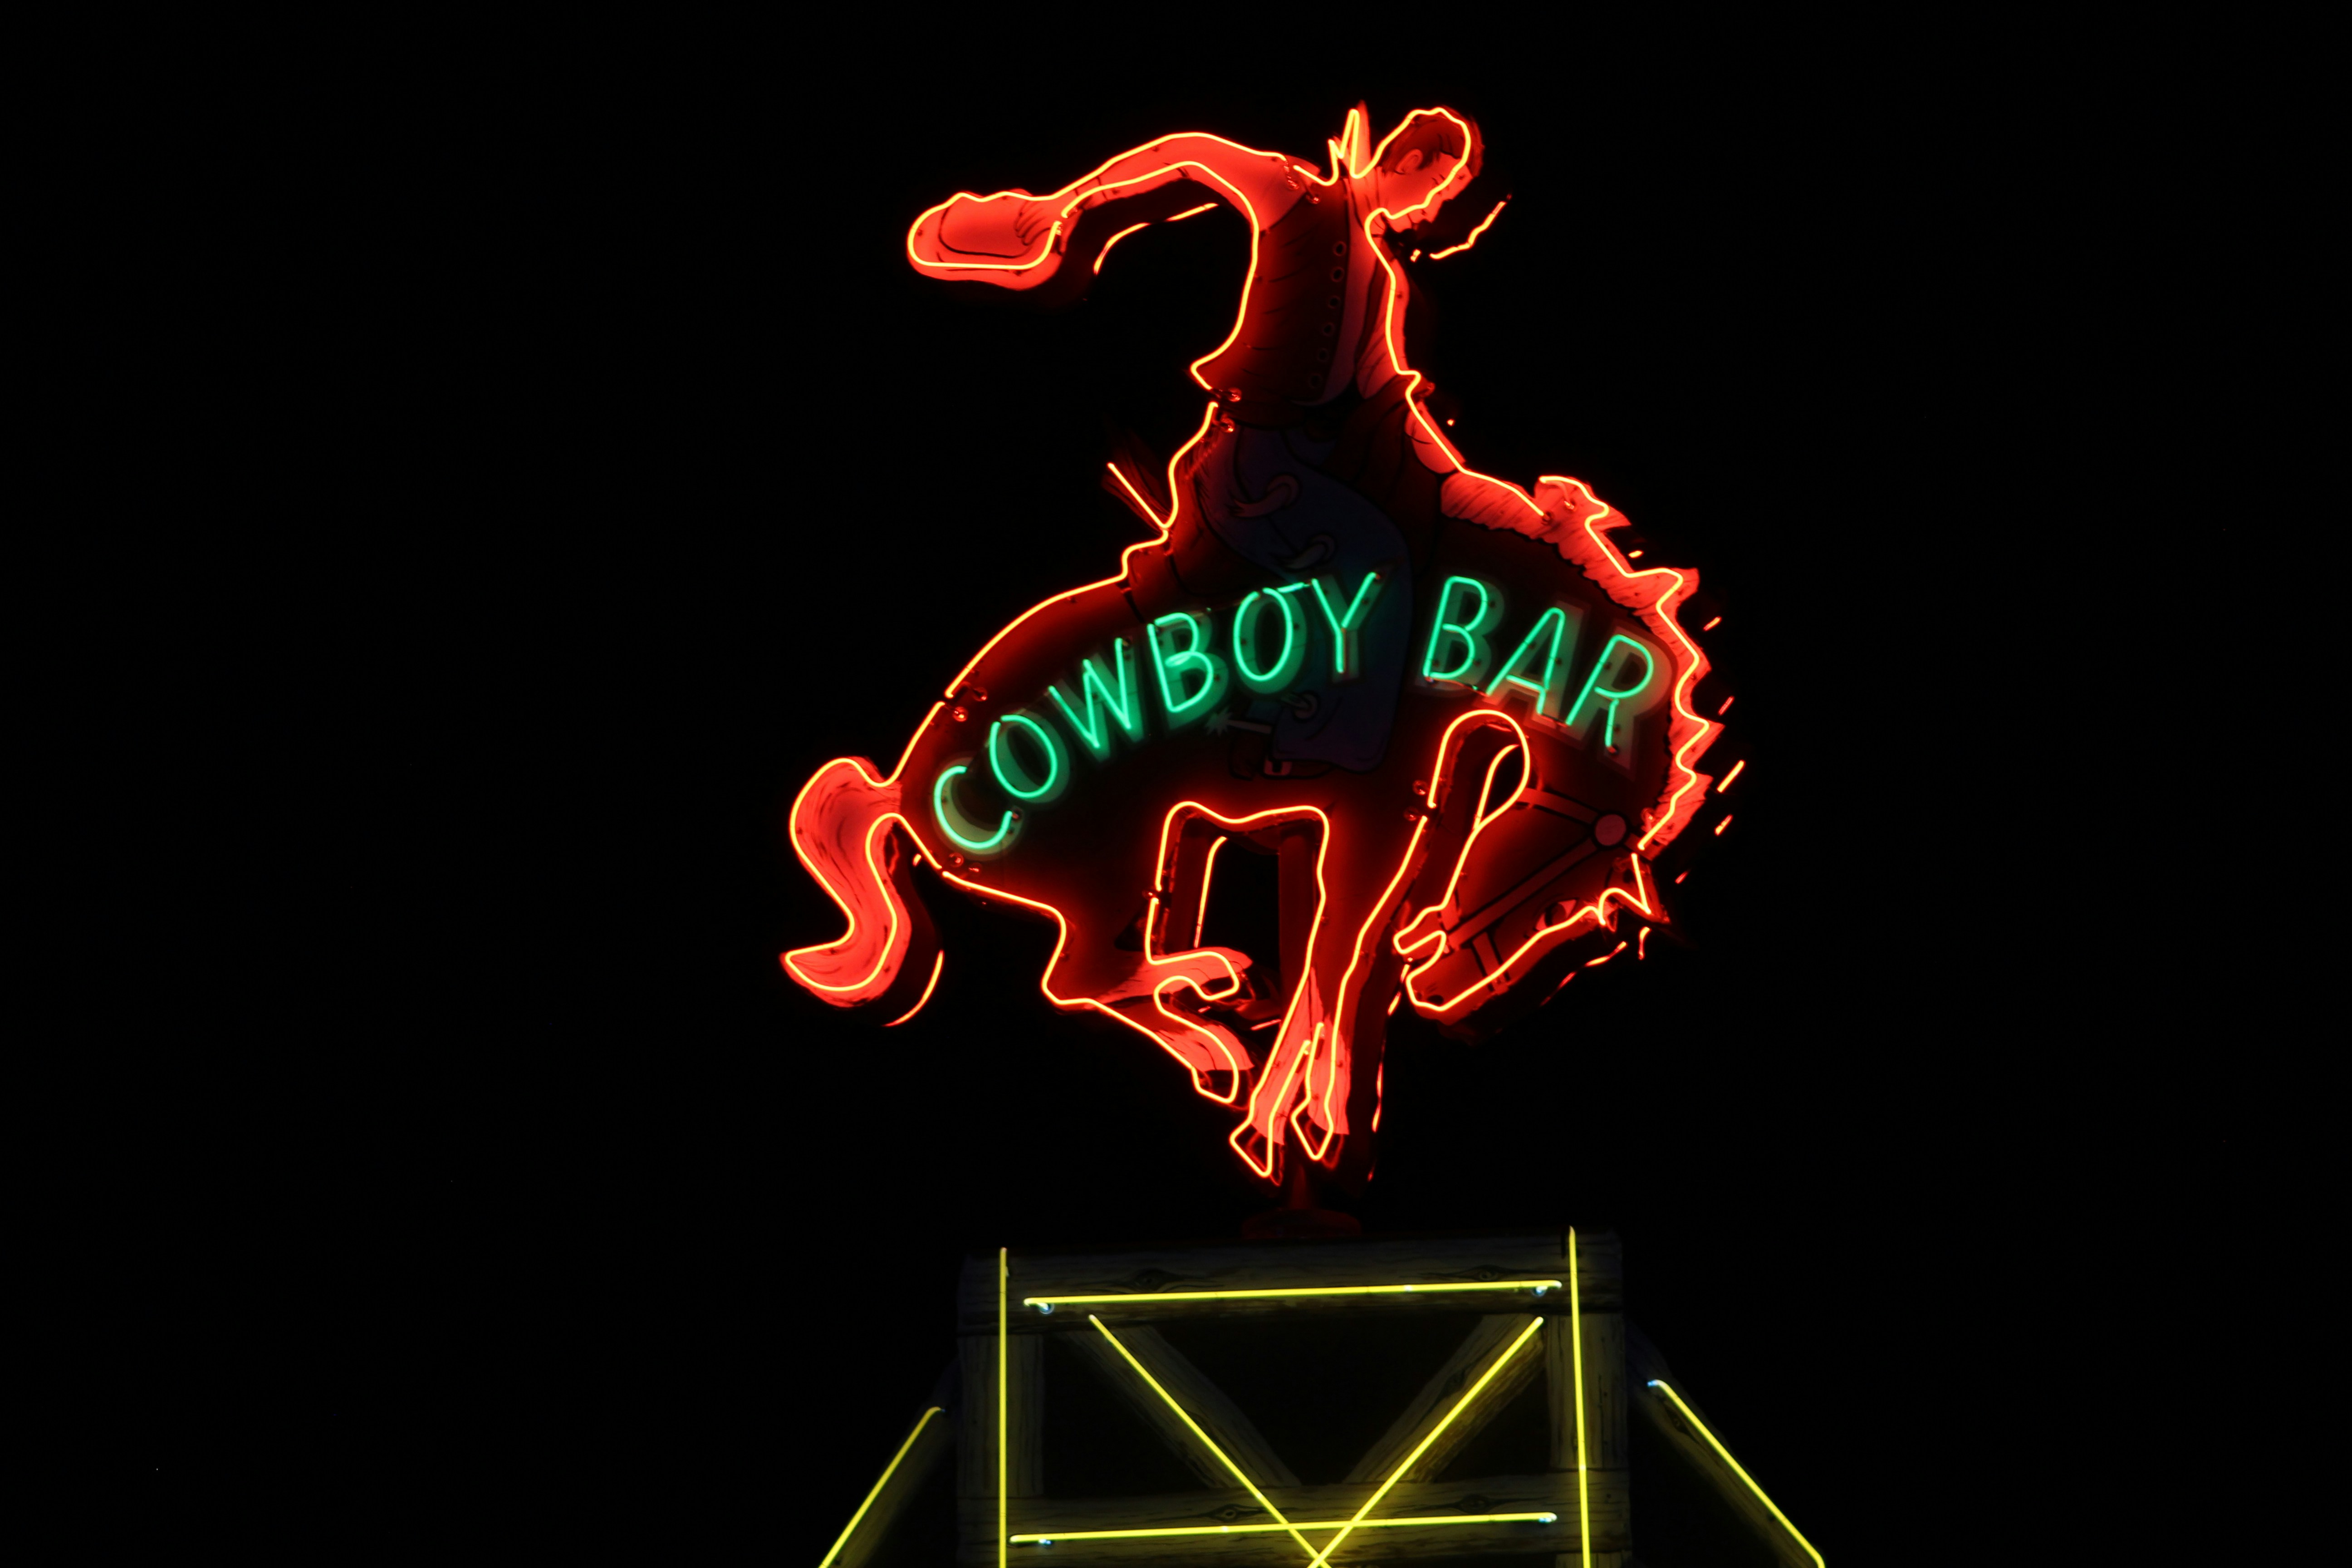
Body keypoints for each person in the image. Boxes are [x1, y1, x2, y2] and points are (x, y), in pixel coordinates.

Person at [908, 106, 1539, 775]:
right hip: (1253, 460)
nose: (1434, 207)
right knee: (1373, 559)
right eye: (1438, 187)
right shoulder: (1296, 193)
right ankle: (1315, 752)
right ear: (1407, 161)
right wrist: (1065, 206)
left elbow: (1392, 404)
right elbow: (1192, 151)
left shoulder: (1381, 278)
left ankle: (1303, 713)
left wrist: (1482, 502)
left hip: (1310, 464)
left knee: (1409, 546)